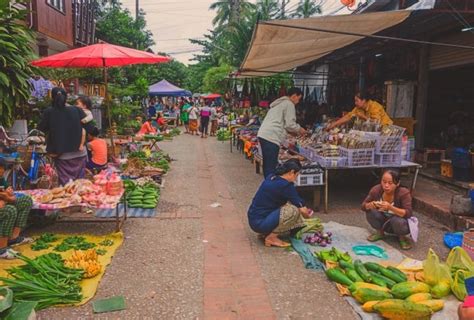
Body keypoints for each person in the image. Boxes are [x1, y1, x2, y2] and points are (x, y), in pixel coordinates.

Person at [248, 159, 313, 248]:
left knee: (286, 207)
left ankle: (266, 233)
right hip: (261, 223)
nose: (296, 178)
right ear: (291, 172)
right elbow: (302, 209)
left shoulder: (272, 176)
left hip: (253, 219)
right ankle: (271, 238)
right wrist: (307, 216)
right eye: (297, 175)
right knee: (293, 210)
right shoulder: (286, 186)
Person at [39, 87, 88, 186]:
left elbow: (41, 128)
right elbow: (90, 127)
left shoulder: (49, 112)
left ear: (52, 98)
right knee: (80, 186)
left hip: (62, 155)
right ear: (66, 97)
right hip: (80, 153)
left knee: (66, 187)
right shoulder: (77, 110)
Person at [257, 88, 307, 178]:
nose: (298, 102)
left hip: (264, 134)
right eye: (298, 99)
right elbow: (290, 124)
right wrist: (300, 129)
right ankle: (271, 187)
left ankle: (268, 184)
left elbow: (282, 124)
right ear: (294, 96)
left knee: (267, 164)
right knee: (271, 165)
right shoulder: (289, 104)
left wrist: (291, 133)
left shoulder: (279, 103)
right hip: (271, 137)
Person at [361, 169, 415, 250]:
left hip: (400, 224)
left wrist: (391, 208)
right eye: (384, 182)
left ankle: (402, 238)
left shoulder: (403, 193)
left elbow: (408, 213)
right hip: (384, 221)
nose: (386, 185)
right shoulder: (376, 190)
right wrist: (370, 205)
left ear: (398, 183)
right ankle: (380, 233)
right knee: (370, 211)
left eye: (390, 183)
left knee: (397, 220)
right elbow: (363, 206)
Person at [0, 159, 34, 259]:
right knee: (10, 211)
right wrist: (5, 197)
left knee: (26, 200)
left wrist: (7, 197)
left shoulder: (1, 179)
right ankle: (2, 249)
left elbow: (12, 196)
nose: (1, 172)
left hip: (4, 203)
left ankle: (14, 238)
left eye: (2, 170)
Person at [327, 91, 393, 130]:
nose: (355, 103)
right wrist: (334, 124)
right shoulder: (358, 108)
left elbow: (376, 123)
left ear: (364, 100)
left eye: (357, 101)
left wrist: (363, 117)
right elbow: (348, 116)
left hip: (386, 129)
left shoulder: (374, 106)